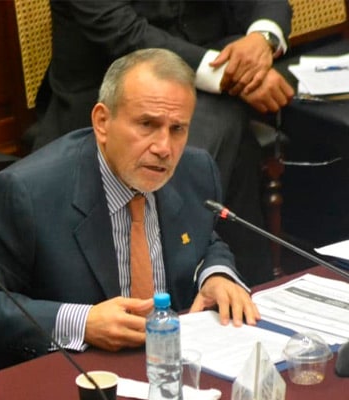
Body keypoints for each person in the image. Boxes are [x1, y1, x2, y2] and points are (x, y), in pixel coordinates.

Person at [0, 48, 260, 381]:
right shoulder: (25, 192)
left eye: (177, 129)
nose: (164, 148)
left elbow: (205, 238)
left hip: (162, 367)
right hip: (55, 374)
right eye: (147, 124)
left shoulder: (195, 171)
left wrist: (215, 275)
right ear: (102, 122)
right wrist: (82, 323)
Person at [23, 0, 296, 286]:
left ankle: (236, 286)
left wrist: (261, 40)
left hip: (213, 81)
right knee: (210, 137)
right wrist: (234, 76)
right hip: (111, 96)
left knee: (228, 126)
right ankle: (190, 284)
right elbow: (126, 36)